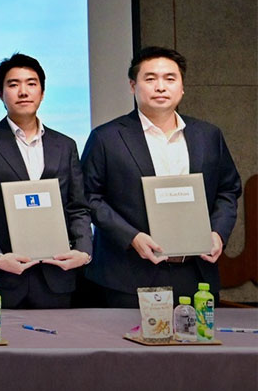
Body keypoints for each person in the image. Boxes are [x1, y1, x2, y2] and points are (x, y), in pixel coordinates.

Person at [81, 47, 241, 307]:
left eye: (170, 78)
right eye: (150, 78)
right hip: (127, 275)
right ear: (132, 86)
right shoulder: (106, 138)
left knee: (197, 335)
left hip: (196, 273)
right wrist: (131, 237)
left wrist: (218, 233)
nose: (160, 87)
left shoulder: (208, 135)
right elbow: (88, 196)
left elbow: (228, 190)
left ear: (182, 87)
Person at [0, 54, 92, 309]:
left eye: (31, 84)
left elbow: (78, 206)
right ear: (1, 94)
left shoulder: (65, 145)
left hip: (57, 273)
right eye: (13, 84)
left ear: (42, 93)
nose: (23, 91)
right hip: (2, 276)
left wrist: (83, 251)